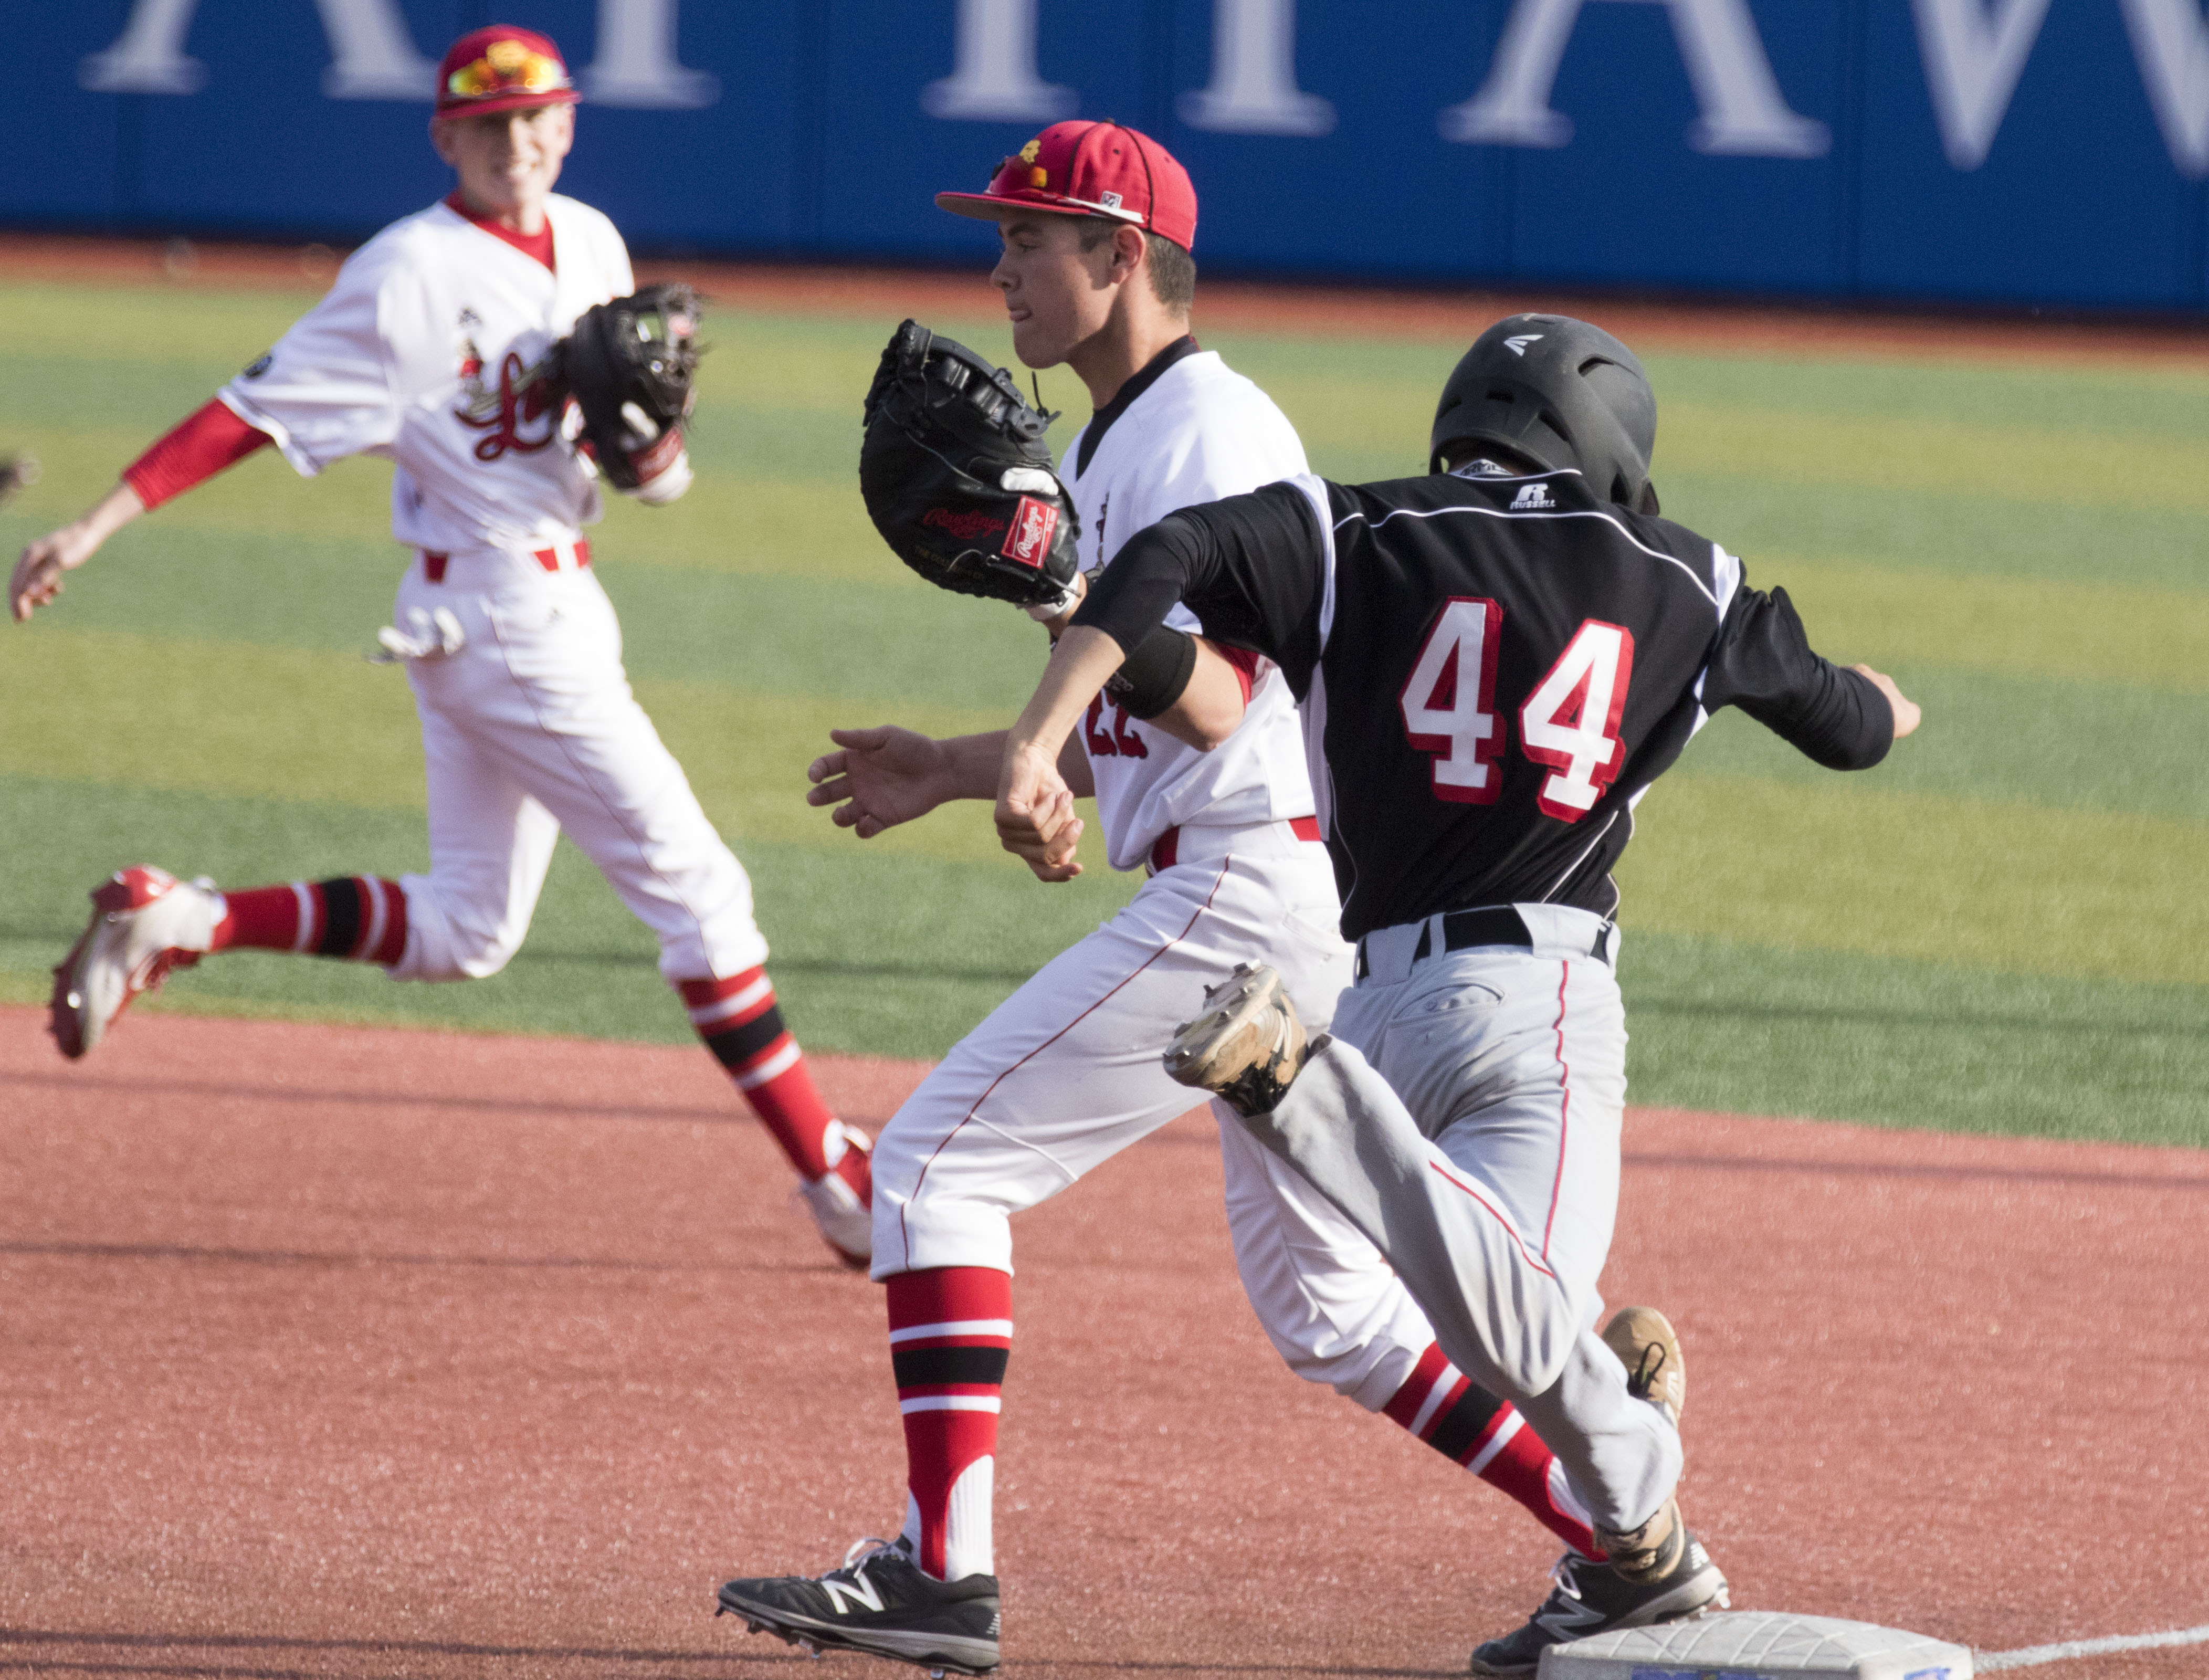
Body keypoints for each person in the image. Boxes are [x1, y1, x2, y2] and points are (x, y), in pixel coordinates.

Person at [714, 126, 1628, 1677]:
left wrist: (1055, 635)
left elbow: (1215, 703)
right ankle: (1627, 1532)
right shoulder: (1107, 443)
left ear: (1122, 258)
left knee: (934, 1164)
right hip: (1261, 882)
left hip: (1253, 885)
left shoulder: (1205, 432)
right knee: (1330, 1316)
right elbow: (1145, 710)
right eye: (998, 237)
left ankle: (944, 1578)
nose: (1000, 268)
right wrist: (961, 764)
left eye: (1033, 238)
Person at [986, 314, 1922, 1673]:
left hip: (1366, 996)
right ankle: (1305, 1101)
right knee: (1529, 1331)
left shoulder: (1346, 531)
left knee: (1454, 1337)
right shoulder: (1685, 575)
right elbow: (1844, 726)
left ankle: (1629, 1558)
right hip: (1527, 1009)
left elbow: (1163, 559)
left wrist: (1042, 708)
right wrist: (1887, 710)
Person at [9, 24, 874, 1267]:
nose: (516, 144)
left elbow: (633, 463)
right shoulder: (403, 273)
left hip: (525, 607)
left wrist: (655, 454)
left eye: (538, 121)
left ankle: (183, 919)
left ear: (568, 126)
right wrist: (97, 521)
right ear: (446, 137)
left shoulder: (592, 241)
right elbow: (247, 411)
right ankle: (834, 1175)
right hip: (510, 624)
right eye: (489, 126)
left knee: (470, 931)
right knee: (704, 891)